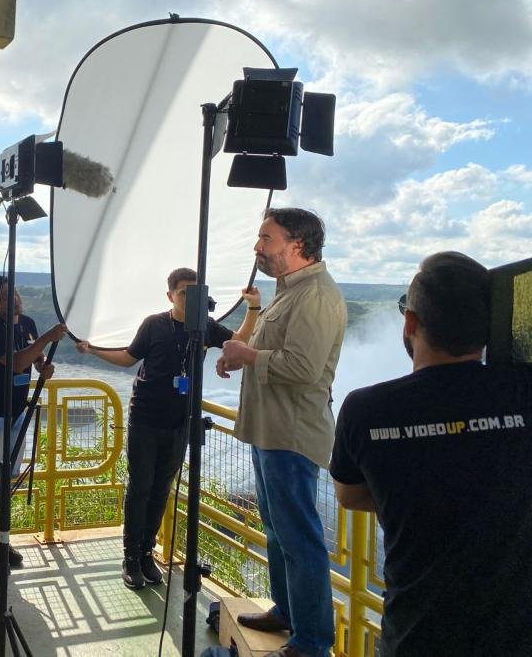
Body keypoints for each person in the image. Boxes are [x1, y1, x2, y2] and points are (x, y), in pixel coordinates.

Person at [330, 252, 532, 657]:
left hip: (415, 635)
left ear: (410, 323)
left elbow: (349, 496)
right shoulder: (523, 392)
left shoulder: (365, 408)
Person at [77, 268, 261, 588]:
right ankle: (131, 557)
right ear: (170, 296)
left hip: (180, 422)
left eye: (195, 293)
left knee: (162, 488)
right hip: (145, 418)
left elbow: (239, 342)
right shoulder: (154, 324)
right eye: (183, 293)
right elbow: (128, 357)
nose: (189, 299)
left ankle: (147, 553)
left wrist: (253, 309)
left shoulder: (203, 327)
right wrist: (94, 350)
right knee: (140, 488)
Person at [215, 208, 346, 657]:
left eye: (266, 239)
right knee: (277, 529)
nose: (258, 248)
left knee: (300, 538)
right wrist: (239, 352)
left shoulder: (315, 297)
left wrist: (248, 356)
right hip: (271, 432)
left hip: (291, 436)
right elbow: (275, 349)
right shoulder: (290, 293)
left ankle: (311, 642)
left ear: (298, 245)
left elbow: (305, 369)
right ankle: (287, 613)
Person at [0, 276, 66, 572]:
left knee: (5, 478)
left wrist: (44, 364)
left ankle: (0, 538)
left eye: (14, 293)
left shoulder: (27, 323)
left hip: (16, 411)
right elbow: (16, 362)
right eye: (3, 297)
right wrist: (46, 339)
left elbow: (34, 359)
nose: (13, 299)